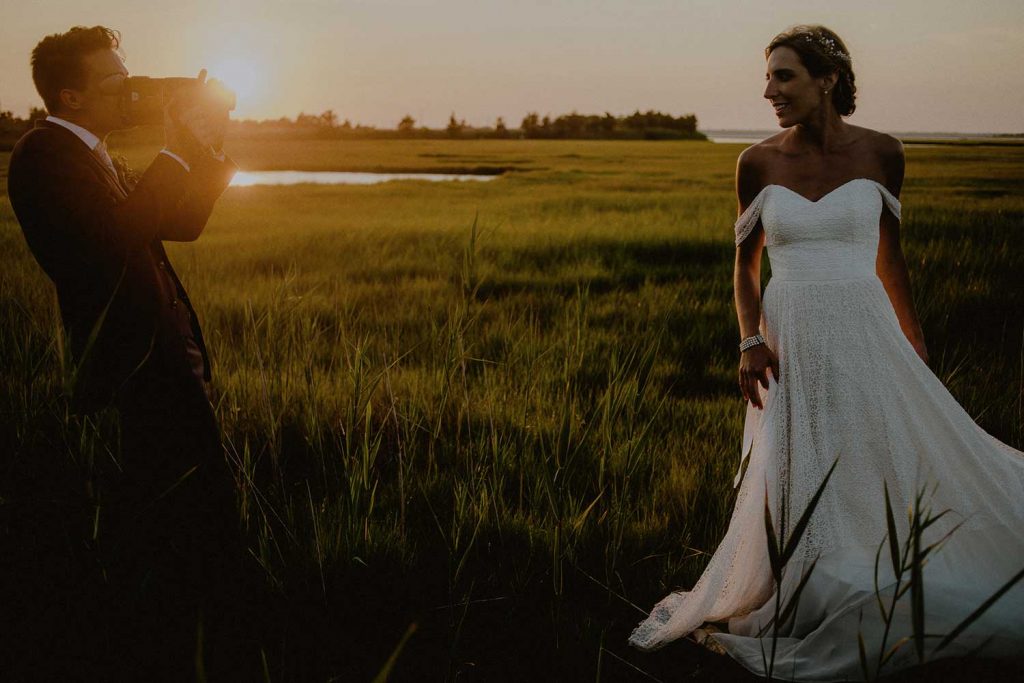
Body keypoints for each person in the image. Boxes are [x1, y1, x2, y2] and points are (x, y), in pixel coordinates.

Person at [628, 25, 1024, 680]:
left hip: (866, 327)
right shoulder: (756, 162)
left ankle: (875, 560)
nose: (769, 91)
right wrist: (750, 339)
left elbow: (889, 256)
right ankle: (809, 579)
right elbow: (745, 267)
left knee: (879, 451)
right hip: (790, 337)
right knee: (796, 459)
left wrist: (913, 341)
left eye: (783, 76)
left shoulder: (884, 153)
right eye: (767, 77)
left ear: (828, 79)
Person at [6, 25, 248, 679]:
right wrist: (171, 148)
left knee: (204, 525)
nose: (133, 91)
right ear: (70, 94)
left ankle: (209, 645)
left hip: (169, 365)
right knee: (175, 534)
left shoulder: (95, 154)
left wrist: (202, 145)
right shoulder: (43, 156)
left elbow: (181, 223)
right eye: (116, 83)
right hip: (132, 377)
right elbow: (118, 238)